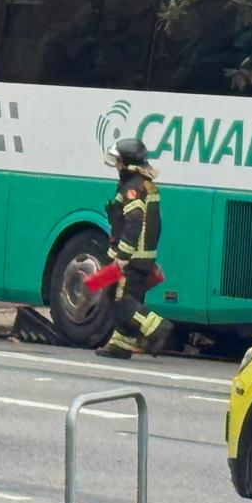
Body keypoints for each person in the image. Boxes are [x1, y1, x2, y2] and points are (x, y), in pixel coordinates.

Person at [97, 138, 174, 360]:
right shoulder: (144, 185)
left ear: (127, 164)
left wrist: (122, 257)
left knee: (122, 299)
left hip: (130, 258)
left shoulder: (132, 188)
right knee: (112, 291)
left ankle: (158, 328)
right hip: (142, 257)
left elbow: (133, 221)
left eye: (118, 161)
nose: (116, 166)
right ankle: (122, 342)